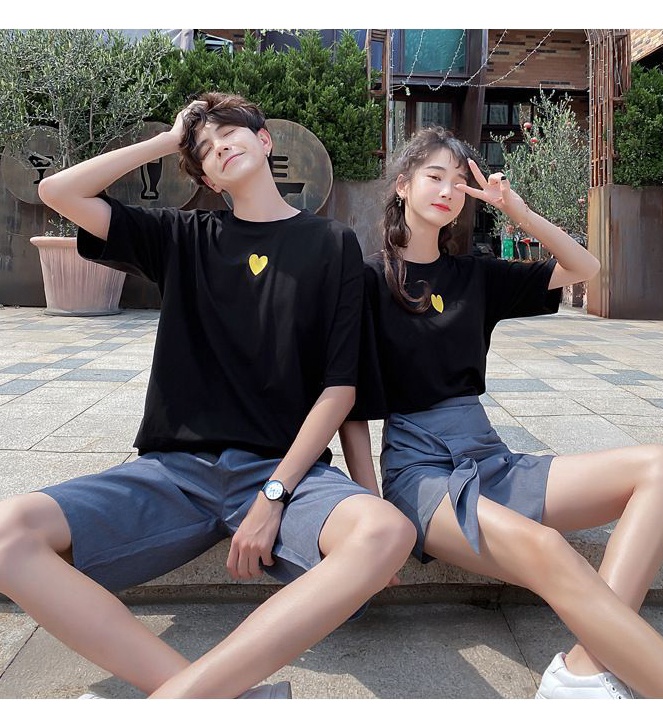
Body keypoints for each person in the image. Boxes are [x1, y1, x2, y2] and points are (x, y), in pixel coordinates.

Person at [0, 92, 416, 699]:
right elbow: (58, 192)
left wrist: (274, 495)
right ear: (205, 179)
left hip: (285, 474)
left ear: (265, 139)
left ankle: (180, 704)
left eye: (230, 131)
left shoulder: (331, 244)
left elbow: (339, 389)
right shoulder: (182, 237)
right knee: (8, 532)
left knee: (386, 533)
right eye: (203, 148)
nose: (219, 145)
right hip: (175, 474)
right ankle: (220, 701)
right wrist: (169, 140)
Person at [339, 126, 663, 699]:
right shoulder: (367, 279)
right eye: (434, 176)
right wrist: (371, 511)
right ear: (402, 185)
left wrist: (514, 208)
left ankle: (584, 669)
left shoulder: (475, 274)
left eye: (458, 181)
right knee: (548, 547)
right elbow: (349, 406)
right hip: (420, 475)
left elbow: (584, 267)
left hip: (489, 459)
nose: (446, 190)